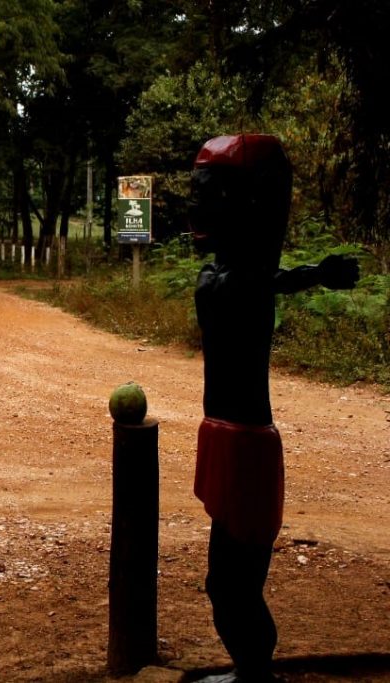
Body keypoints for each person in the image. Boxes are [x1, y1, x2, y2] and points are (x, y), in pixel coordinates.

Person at [187, 134, 360, 683]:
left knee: (231, 584)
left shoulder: (240, 282)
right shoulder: (228, 277)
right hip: (226, 435)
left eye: (209, 194)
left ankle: (255, 676)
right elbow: (265, 276)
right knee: (228, 582)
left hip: (245, 444)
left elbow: (262, 276)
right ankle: (252, 673)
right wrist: (315, 273)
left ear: (247, 204)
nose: (198, 207)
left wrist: (313, 273)